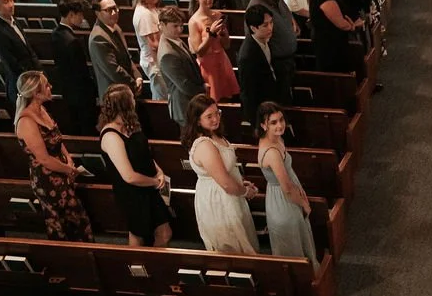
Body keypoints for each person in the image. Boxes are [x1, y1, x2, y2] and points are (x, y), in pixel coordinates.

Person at [14, 72, 93, 242]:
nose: (51, 88)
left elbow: (57, 139)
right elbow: (43, 159)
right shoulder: (26, 121)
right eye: (47, 86)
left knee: (78, 219)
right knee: (66, 222)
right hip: (47, 179)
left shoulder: (42, 109)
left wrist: (68, 158)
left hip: (61, 171)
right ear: (36, 93)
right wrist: (68, 169)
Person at [97, 83, 172, 247]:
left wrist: (158, 172)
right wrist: (154, 182)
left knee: (164, 232)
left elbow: (144, 154)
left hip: (149, 186)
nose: (134, 100)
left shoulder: (131, 124)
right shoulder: (111, 135)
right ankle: (141, 267)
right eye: (131, 97)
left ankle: (156, 266)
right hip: (132, 193)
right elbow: (128, 176)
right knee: (138, 234)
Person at [183, 92, 259, 254]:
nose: (216, 119)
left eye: (217, 113)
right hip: (219, 200)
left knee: (244, 240)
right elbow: (224, 182)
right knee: (232, 246)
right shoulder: (204, 145)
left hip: (229, 194)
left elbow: (225, 170)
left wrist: (240, 183)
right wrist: (245, 191)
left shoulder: (214, 135)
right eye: (209, 116)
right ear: (197, 120)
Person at [256, 101, 317, 267]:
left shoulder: (277, 139)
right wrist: (304, 204)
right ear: (263, 125)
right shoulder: (272, 153)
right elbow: (287, 188)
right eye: (273, 122)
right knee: (292, 245)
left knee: (299, 236)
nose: (280, 125)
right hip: (283, 201)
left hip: (286, 194)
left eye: (281, 120)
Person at [50, 0, 97, 134]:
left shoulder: (55, 34)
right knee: (87, 128)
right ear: (71, 15)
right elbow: (81, 72)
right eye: (80, 14)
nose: (82, 18)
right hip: (81, 95)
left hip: (67, 92)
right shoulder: (72, 41)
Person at [0, 0, 40, 109]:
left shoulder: (13, 19)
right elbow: (13, 65)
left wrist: (40, 74)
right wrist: (32, 82)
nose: (11, 5)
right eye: (6, 2)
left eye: (11, 0)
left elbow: (28, 49)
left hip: (33, 79)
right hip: (22, 86)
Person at [308, 0, 363, 76]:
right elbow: (341, 24)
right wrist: (352, 26)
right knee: (337, 79)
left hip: (333, 43)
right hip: (330, 47)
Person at [157, 5, 206, 131]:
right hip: (185, 106)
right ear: (162, 25)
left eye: (181, 25)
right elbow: (184, 85)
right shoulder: (167, 53)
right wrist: (203, 90)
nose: (180, 29)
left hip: (191, 102)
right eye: (175, 26)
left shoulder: (174, 40)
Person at [188, 0, 238, 102]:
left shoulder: (217, 15)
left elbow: (226, 45)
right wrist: (211, 35)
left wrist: (225, 36)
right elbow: (199, 52)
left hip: (222, 60)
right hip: (208, 66)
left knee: (228, 99)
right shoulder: (194, 21)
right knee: (212, 100)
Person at [88, 0, 141, 99]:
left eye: (115, 8)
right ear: (97, 13)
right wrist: (133, 84)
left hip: (127, 92)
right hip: (114, 97)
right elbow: (114, 70)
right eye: (108, 10)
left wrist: (138, 76)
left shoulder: (115, 27)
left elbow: (127, 56)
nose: (114, 13)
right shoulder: (98, 38)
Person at [237, 5, 279, 127]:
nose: (270, 28)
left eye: (271, 23)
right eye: (265, 25)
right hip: (261, 109)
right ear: (253, 28)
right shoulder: (247, 55)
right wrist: (256, 122)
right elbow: (248, 92)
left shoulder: (264, 40)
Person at [132, 0, 166, 101]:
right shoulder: (144, 14)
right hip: (155, 63)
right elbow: (154, 45)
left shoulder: (151, 8)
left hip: (157, 61)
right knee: (161, 98)